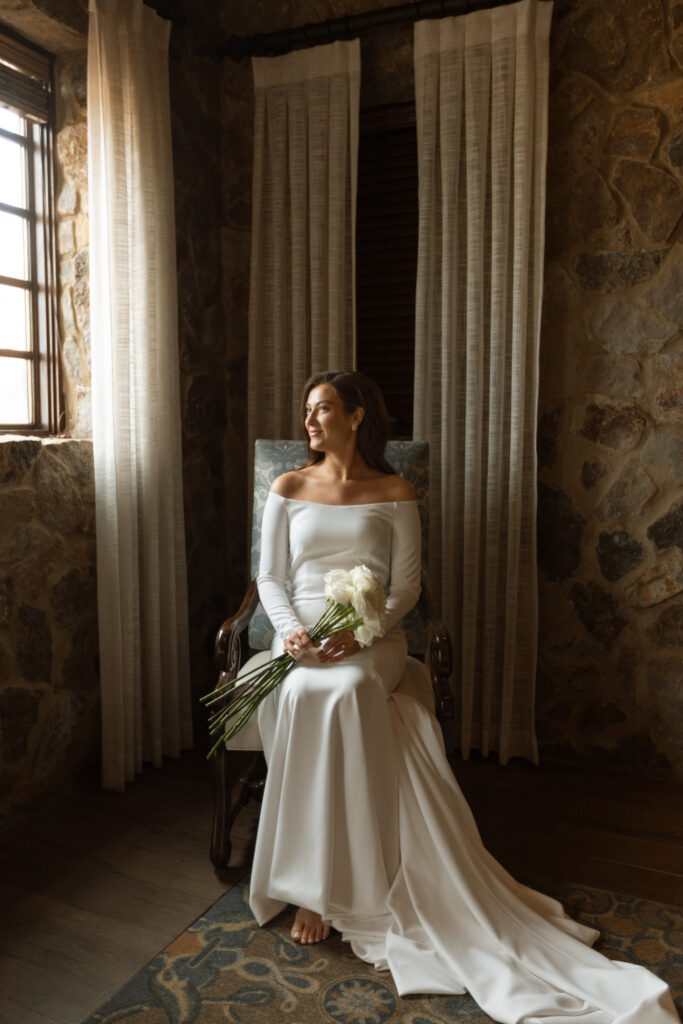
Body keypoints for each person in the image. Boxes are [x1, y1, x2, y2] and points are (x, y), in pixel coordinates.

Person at [247, 369, 680, 1024]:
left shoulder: (394, 491)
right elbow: (270, 577)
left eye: (323, 409)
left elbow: (406, 590)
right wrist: (295, 634)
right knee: (304, 695)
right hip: (303, 638)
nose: (308, 421)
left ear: (357, 416)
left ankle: (345, 890)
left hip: (371, 642)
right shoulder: (288, 486)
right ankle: (312, 889)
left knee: (347, 695)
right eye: (306, 410)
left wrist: (361, 632)